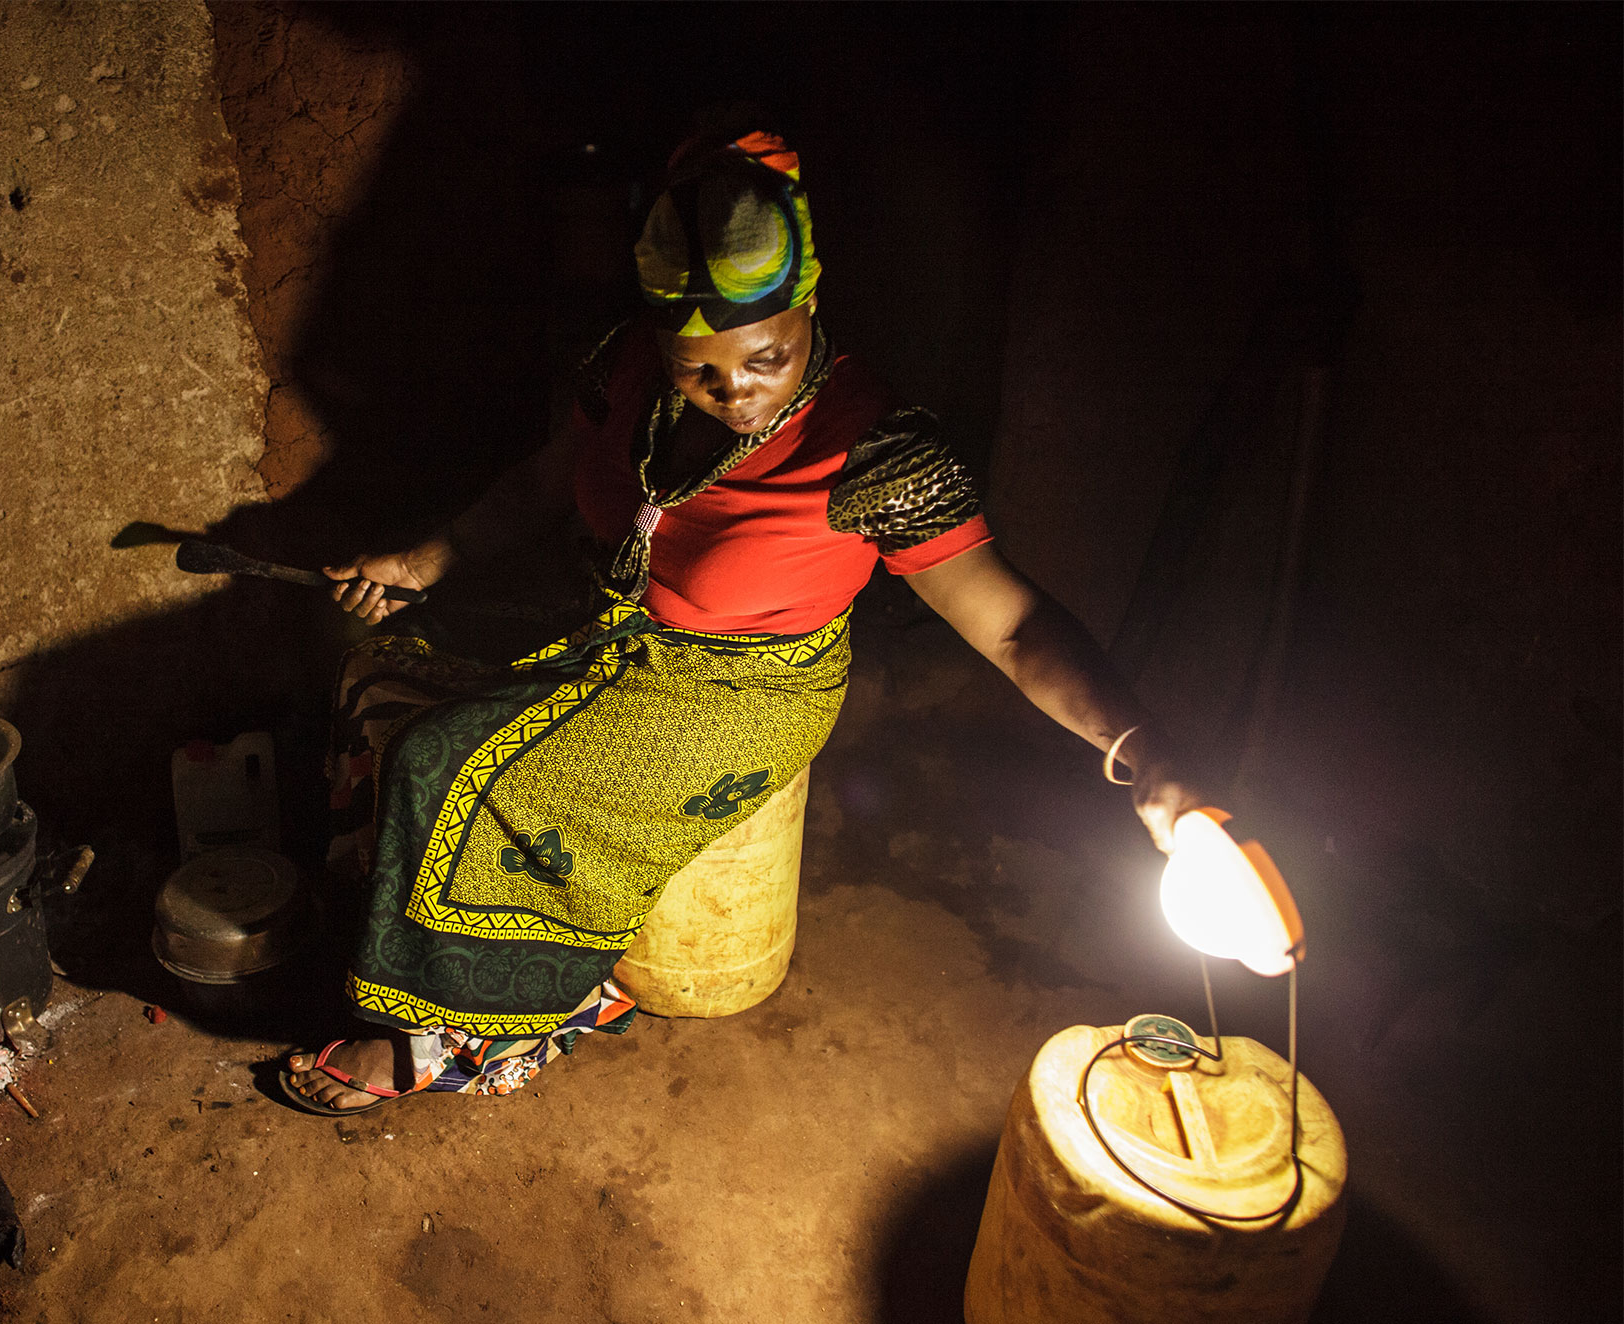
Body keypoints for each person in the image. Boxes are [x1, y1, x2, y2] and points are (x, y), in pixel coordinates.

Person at [283, 129, 1205, 1115]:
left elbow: (1013, 624)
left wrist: (1140, 748)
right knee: (373, 663)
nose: (736, 392)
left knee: (445, 761)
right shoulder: (627, 367)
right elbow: (548, 478)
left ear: (808, 303)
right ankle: (392, 913)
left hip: (743, 684)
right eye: (700, 371)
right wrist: (423, 561)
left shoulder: (875, 450)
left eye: (766, 358)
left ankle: (492, 1026)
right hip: (605, 618)